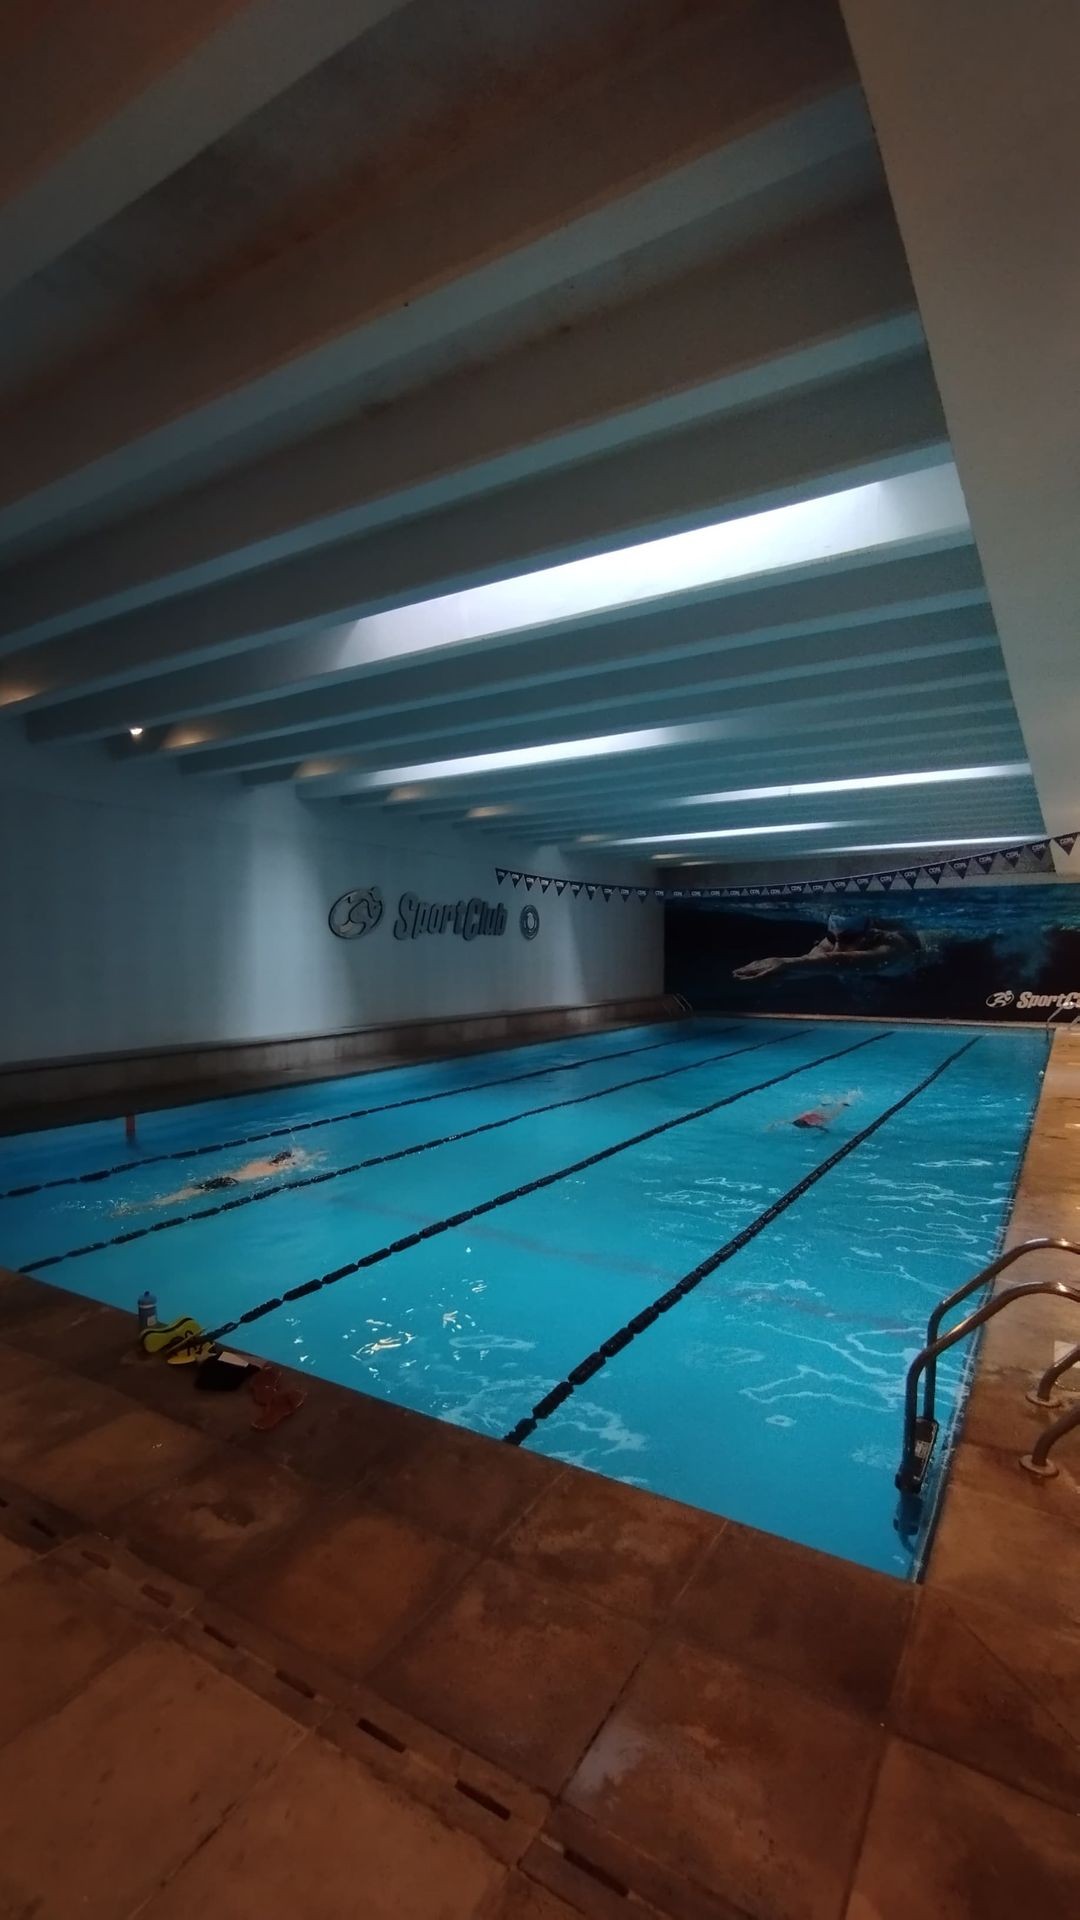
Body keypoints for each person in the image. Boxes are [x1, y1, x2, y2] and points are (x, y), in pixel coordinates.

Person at [733, 911, 921, 980]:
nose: (836, 945)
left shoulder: (892, 947)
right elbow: (808, 964)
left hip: (920, 952)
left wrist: (784, 962)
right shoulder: (834, 940)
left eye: (846, 939)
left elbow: (843, 962)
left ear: (867, 934)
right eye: (832, 937)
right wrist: (773, 973)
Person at [146, 1147, 312, 1210]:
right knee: (193, 1194)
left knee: (192, 1190)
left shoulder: (260, 1163)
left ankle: (160, 1202)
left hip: (226, 1177)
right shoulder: (275, 1170)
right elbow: (299, 1165)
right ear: (283, 1161)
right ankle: (159, 1203)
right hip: (230, 1183)